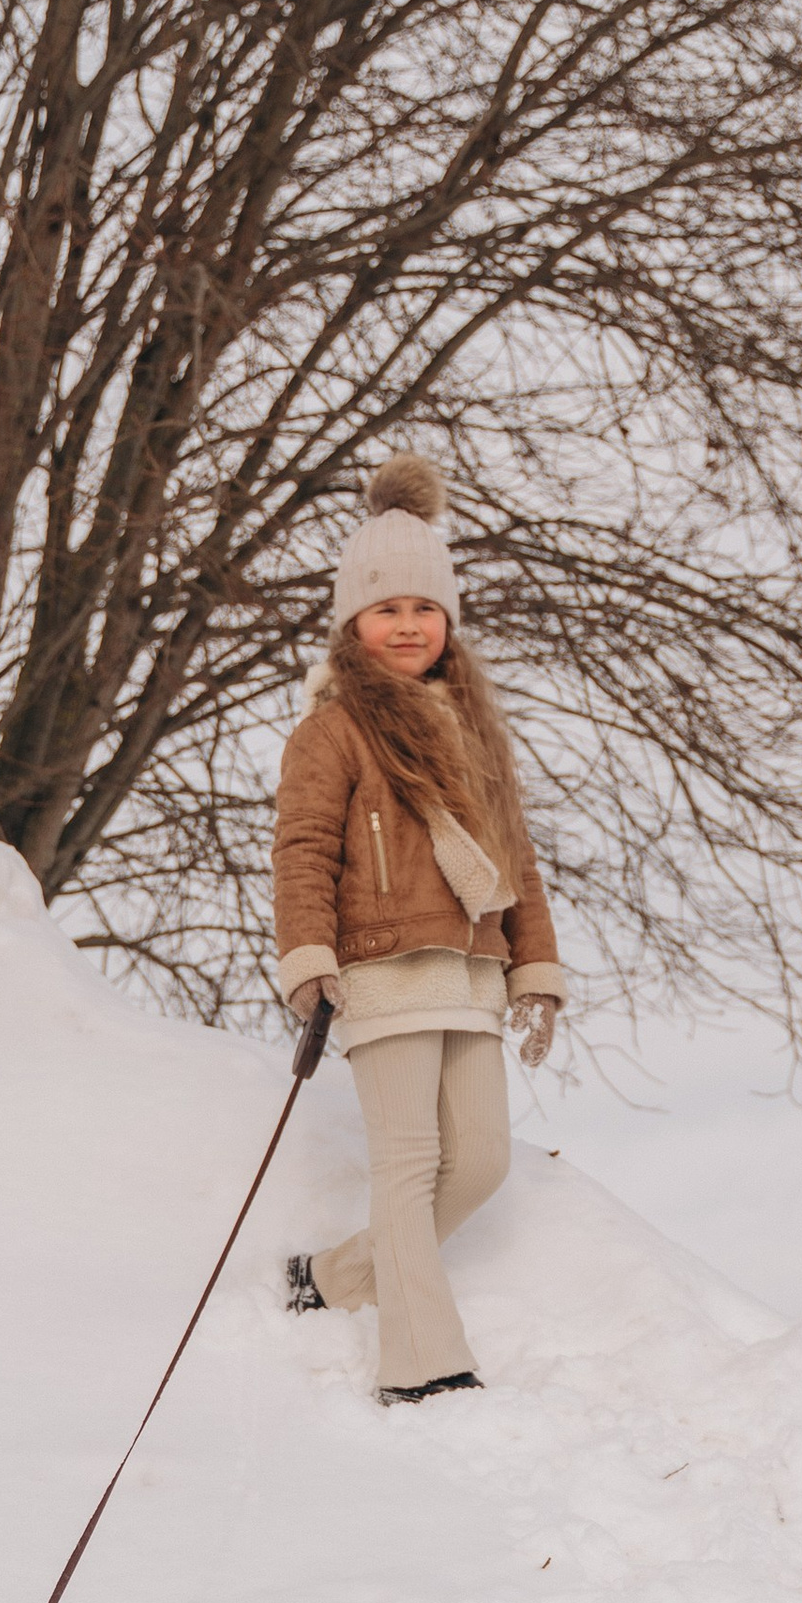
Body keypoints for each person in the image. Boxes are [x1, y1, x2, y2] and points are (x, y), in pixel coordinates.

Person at [272, 455, 566, 1402]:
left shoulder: (478, 731)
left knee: (478, 1162)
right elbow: (304, 849)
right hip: (381, 968)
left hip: (473, 969)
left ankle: (335, 1279)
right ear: (354, 622)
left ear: (447, 622)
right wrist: (308, 960)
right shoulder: (333, 730)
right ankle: (422, 1365)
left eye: (425, 608)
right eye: (386, 607)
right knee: (408, 1166)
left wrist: (537, 968)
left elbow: (515, 859)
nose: (407, 624)